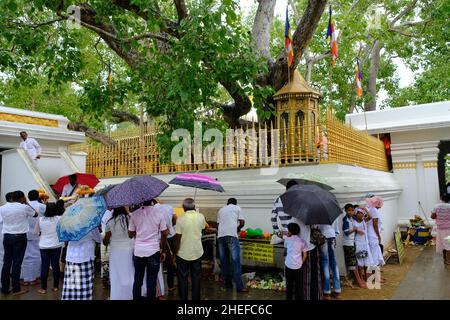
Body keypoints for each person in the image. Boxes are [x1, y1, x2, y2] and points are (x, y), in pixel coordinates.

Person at [271, 180, 323, 300]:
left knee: (290, 271)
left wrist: (279, 233)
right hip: (303, 244)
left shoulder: (280, 200)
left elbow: (273, 218)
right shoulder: (302, 206)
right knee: (304, 274)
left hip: (288, 240)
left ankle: (292, 294)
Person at [128, 200, 168, 301]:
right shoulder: (159, 213)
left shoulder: (134, 214)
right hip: (153, 251)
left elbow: (130, 234)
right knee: (151, 280)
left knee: (138, 280)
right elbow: (165, 233)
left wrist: (139, 230)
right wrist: (163, 250)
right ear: (151, 200)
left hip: (138, 252)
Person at [1, 191, 38, 296]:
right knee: (17, 263)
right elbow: (35, 214)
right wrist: (27, 203)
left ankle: (4, 289)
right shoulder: (24, 207)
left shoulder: (2, 208)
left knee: (6, 263)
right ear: (22, 198)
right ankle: (16, 289)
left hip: (7, 236)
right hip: (19, 237)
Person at [172, 198, 207, 300]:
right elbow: (203, 228)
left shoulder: (181, 219)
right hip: (197, 252)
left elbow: (178, 239)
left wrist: (175, 253)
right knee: (196, 277)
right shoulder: (201, 217)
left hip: (183, 253)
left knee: (182, 278)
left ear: (183, 207)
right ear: (194, 207)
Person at [103, 207, 135, 299]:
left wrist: (104, 241)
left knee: (116, 273)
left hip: (115, 250)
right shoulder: (130, 218)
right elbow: (133, 233)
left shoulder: (110, 222)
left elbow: (106, 240)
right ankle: (130, 295)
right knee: (129, 271)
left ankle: (117, 295)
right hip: (129, 248)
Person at [217, 198, 248, 292]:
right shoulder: (237, 208)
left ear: (227, 203)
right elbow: (242, 222)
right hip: (231, 235)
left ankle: (228, 284)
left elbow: (218, 224)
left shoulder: (221, 209)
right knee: (235, 261)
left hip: (221, 236)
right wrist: (238, 228)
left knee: (224, 261)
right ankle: (239, 286)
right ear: (235, 203)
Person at [61, 227, 102, 300]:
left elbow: (65, 239)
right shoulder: (90, 224)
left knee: (71, 284)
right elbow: (99, 239)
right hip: (85, 256)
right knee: (84, 285)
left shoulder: (69, 223)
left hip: (71, 256)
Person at [34, 203, 63, 294]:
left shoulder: (40, 219)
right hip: (56, 245)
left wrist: (41, 233)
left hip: (44, 245)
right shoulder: (59, 219)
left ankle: (43, 288)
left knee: (44, 266)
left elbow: (36, 232)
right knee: (55, 265)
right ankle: (56, 286)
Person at [21, 190, 46, 286]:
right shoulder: (42, 206)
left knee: (26, 256)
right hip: (37, 234)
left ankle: (25, 278)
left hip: (25, 233)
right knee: (36, 256)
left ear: (28, 196)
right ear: (37, 197)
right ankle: (34, 277)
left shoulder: (23, 207)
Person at [154, 200, 177, 293]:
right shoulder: (169, 207)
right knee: (171, 261)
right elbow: (175, 218)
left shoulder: (152, 210)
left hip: (157, 237)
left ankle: (158, 288)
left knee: (157, 262)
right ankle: (170, 285)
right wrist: (171, 225)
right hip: (170, 235)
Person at [342, 204, 366, 288]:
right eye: (349, 210)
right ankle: (358, 280)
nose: (351, 212)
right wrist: (355, 229)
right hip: (348, 243)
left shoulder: (352, 219)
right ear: (345, 210)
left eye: (352, 210)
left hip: (354, 242)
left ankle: (360, 278)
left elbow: (362, 217)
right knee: (353, 263)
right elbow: (346, 232)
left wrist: (361, 207)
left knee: (357, 261)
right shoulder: (345, 220)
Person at [284, 223, 308, 300]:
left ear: (290, 231)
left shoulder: (287, 240)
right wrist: (301, 262)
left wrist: (287, 236)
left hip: (289, 265)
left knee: (289, 284)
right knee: (299, 285)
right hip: (298, 266)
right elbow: (305, 254)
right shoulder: (302, 241)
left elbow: (286, 247)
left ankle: (289, 298)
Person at [318, 219, 341, 299]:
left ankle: (327, 292)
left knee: (325, 263)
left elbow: (316, 228)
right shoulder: (332, 210)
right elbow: (336, 229)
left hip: (322, 238)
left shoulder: (317, 212)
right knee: (334, 264)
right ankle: (337, 291)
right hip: (332, 236)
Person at [353, 207, 373, 282]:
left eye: (362, 213)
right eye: (359, 213)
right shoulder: (354, 222)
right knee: (360, 262)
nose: (361, 214)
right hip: (359, 244)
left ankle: (367, 277)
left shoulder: (364, 221)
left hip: (365, 244)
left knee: (366, 261)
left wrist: (364, 208)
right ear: (356, 214)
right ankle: (361, 278)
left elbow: (370, 216)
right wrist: (357, 230)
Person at [365, 197, 385, 268]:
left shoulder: (368, 208)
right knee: (374, 255)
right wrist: (378, 235)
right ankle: (375, 275)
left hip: (369, 234)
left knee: (374, 253)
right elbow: (375, 225)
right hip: (373, 235)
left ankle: (375, 273)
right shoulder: (374, 210)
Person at [431, 193, 450, 265]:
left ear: (441, 198)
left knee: (442, 243)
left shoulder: (437, 206)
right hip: (449, 229)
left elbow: (432, 216)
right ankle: (448, 261)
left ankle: (445, 258)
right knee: (448, 243)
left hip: (440, 228)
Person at [0, 192, 14, 285]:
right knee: (4, 260)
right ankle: (3, 283)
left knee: (4, 260)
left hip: (5, 235)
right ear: (12, 199)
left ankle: (3, 284)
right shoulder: (13, 209)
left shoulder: (1, 208)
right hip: (4, 235)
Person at [100, 209, 113, 290]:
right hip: (109, 239)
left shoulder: (103, 212)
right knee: (108, 262)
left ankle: (105, 281)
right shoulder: (110, 213)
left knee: (105, 262)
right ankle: (108, 281)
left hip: (105, 237)